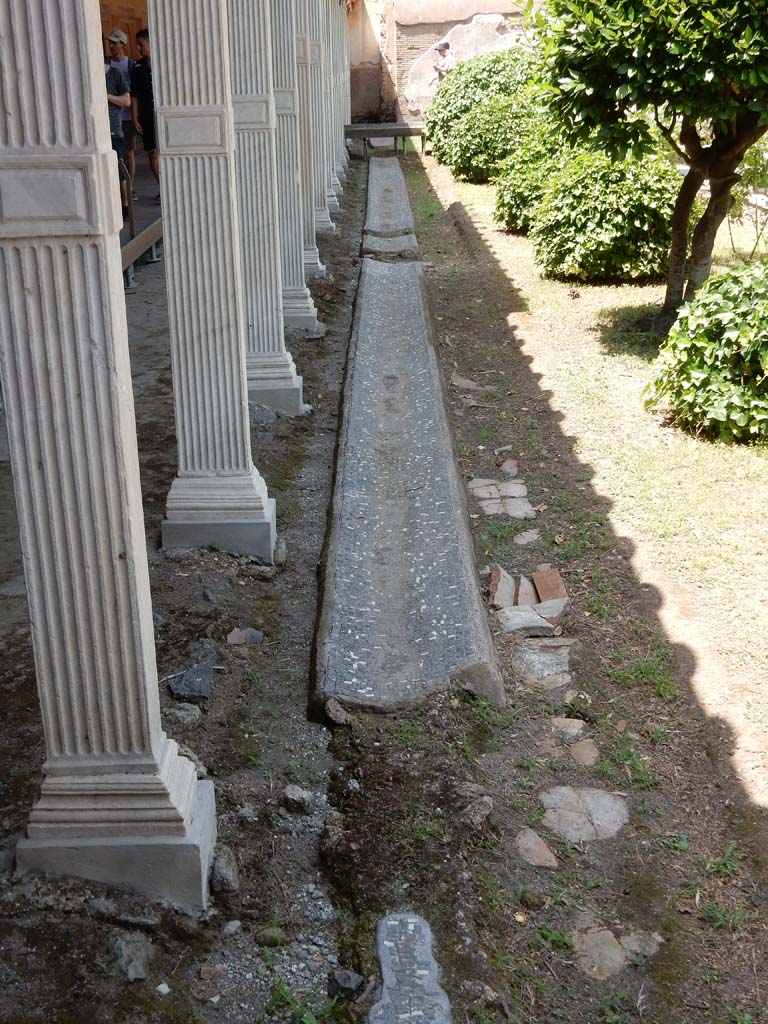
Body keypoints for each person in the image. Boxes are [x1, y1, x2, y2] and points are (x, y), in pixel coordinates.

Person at [106, 29, 136, 192]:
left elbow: (134, 92)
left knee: (129, 151)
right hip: (114, 117)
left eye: (114, 43)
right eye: (110, 43)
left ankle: (129, 187)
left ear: (123, 44)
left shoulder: (130, 64)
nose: (111, 46)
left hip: (128, 114)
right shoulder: (107, 64)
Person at [130, 29, 159, 192]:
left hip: (163, 114)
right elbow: (134, 95)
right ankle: (164, 187)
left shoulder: (163, 62)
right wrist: (135, 118)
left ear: (150, 42)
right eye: (137, 45)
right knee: (152, 153)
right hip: (147, 115)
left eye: (141, 44)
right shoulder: (137, 66)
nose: (139, 48)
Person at [105, 59, 131, 219]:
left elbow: (127, 101)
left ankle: (125, 205)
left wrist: (106, 96)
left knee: (119, 170)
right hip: (93, 132)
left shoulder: (115, 74)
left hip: (114, 130)